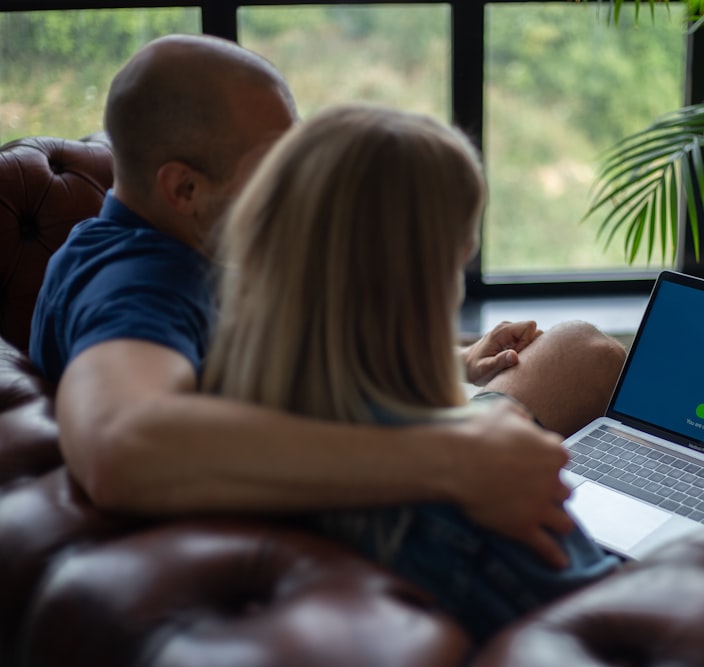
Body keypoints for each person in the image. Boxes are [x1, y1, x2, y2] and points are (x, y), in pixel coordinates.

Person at [29, 34, 626, 570]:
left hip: (371, 465)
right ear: (184, 187)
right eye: (276, 168)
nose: (300, 187)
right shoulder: (134, 286)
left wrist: (458, 363)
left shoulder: (184, 247)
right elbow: (120, 447)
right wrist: (449, 456)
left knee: (579, 351)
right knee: (581, 354)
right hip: (376, 517)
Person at [201, 103, 621, 641]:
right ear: (433, 274)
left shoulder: (220, 417)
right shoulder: (479, 491)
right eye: (461, 252)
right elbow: (617, 629)